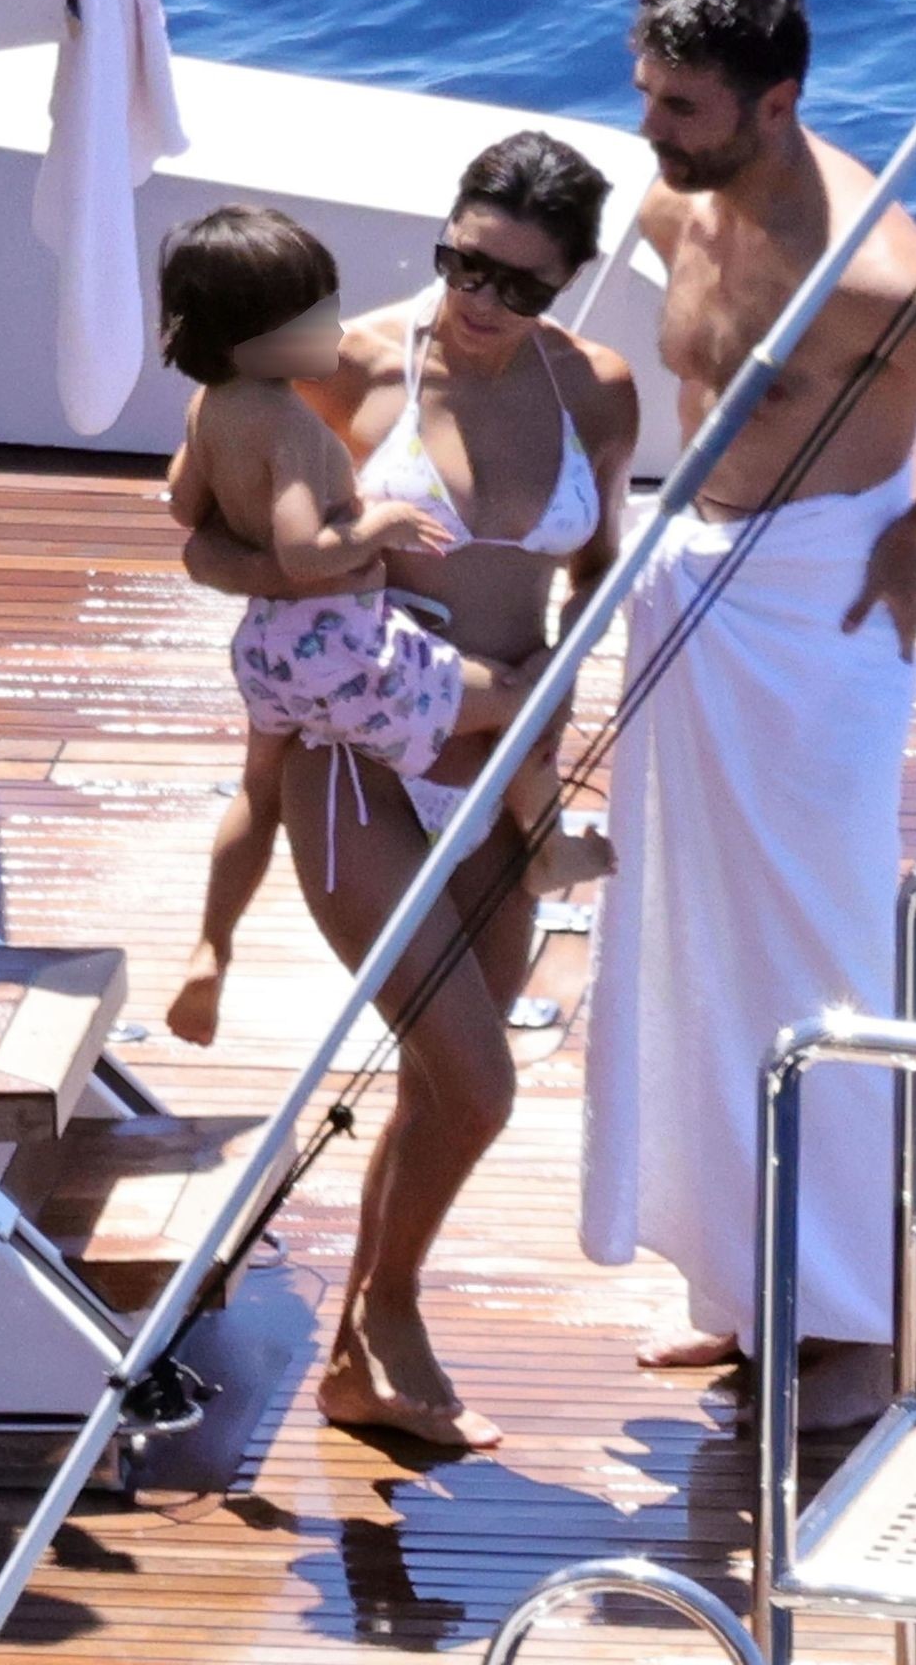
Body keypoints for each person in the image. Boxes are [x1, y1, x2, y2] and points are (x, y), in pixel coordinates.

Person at [579, 0, 916, 1427]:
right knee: (690, 939)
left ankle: (865, 1323)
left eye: (680, 106)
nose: (650, 128)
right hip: (701, 582)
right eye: (647, 94)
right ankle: (750, 1285)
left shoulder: (864, 272)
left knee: (824, 957)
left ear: (775, 100)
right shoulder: (675, 202)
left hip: (821, 611)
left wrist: (915, 527)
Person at [177, 132, 638, 1447]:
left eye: (520, 285)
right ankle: (388, 1313)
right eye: (462, 263)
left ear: (568, 283)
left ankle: (361, 1354)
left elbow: (595, 564)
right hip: (356, 766)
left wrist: (558, 692)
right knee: (479, 1081)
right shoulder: (345, 362)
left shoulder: (596, 390)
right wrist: (293, 578)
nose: (480, 301)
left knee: (446, 1080)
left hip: (496, 772)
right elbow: (202, 533)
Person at [159, 205, 615, 944]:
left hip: (268, 649)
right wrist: (380, 526)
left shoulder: (209, 408)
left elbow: (185, 506)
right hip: (340, 649)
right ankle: (550, 847)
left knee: (256, 791)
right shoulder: (291, 428)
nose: (337, 331)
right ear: (261, 335)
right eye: (319, 316)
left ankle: (213, 945)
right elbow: (304, 552)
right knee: (525, 699)